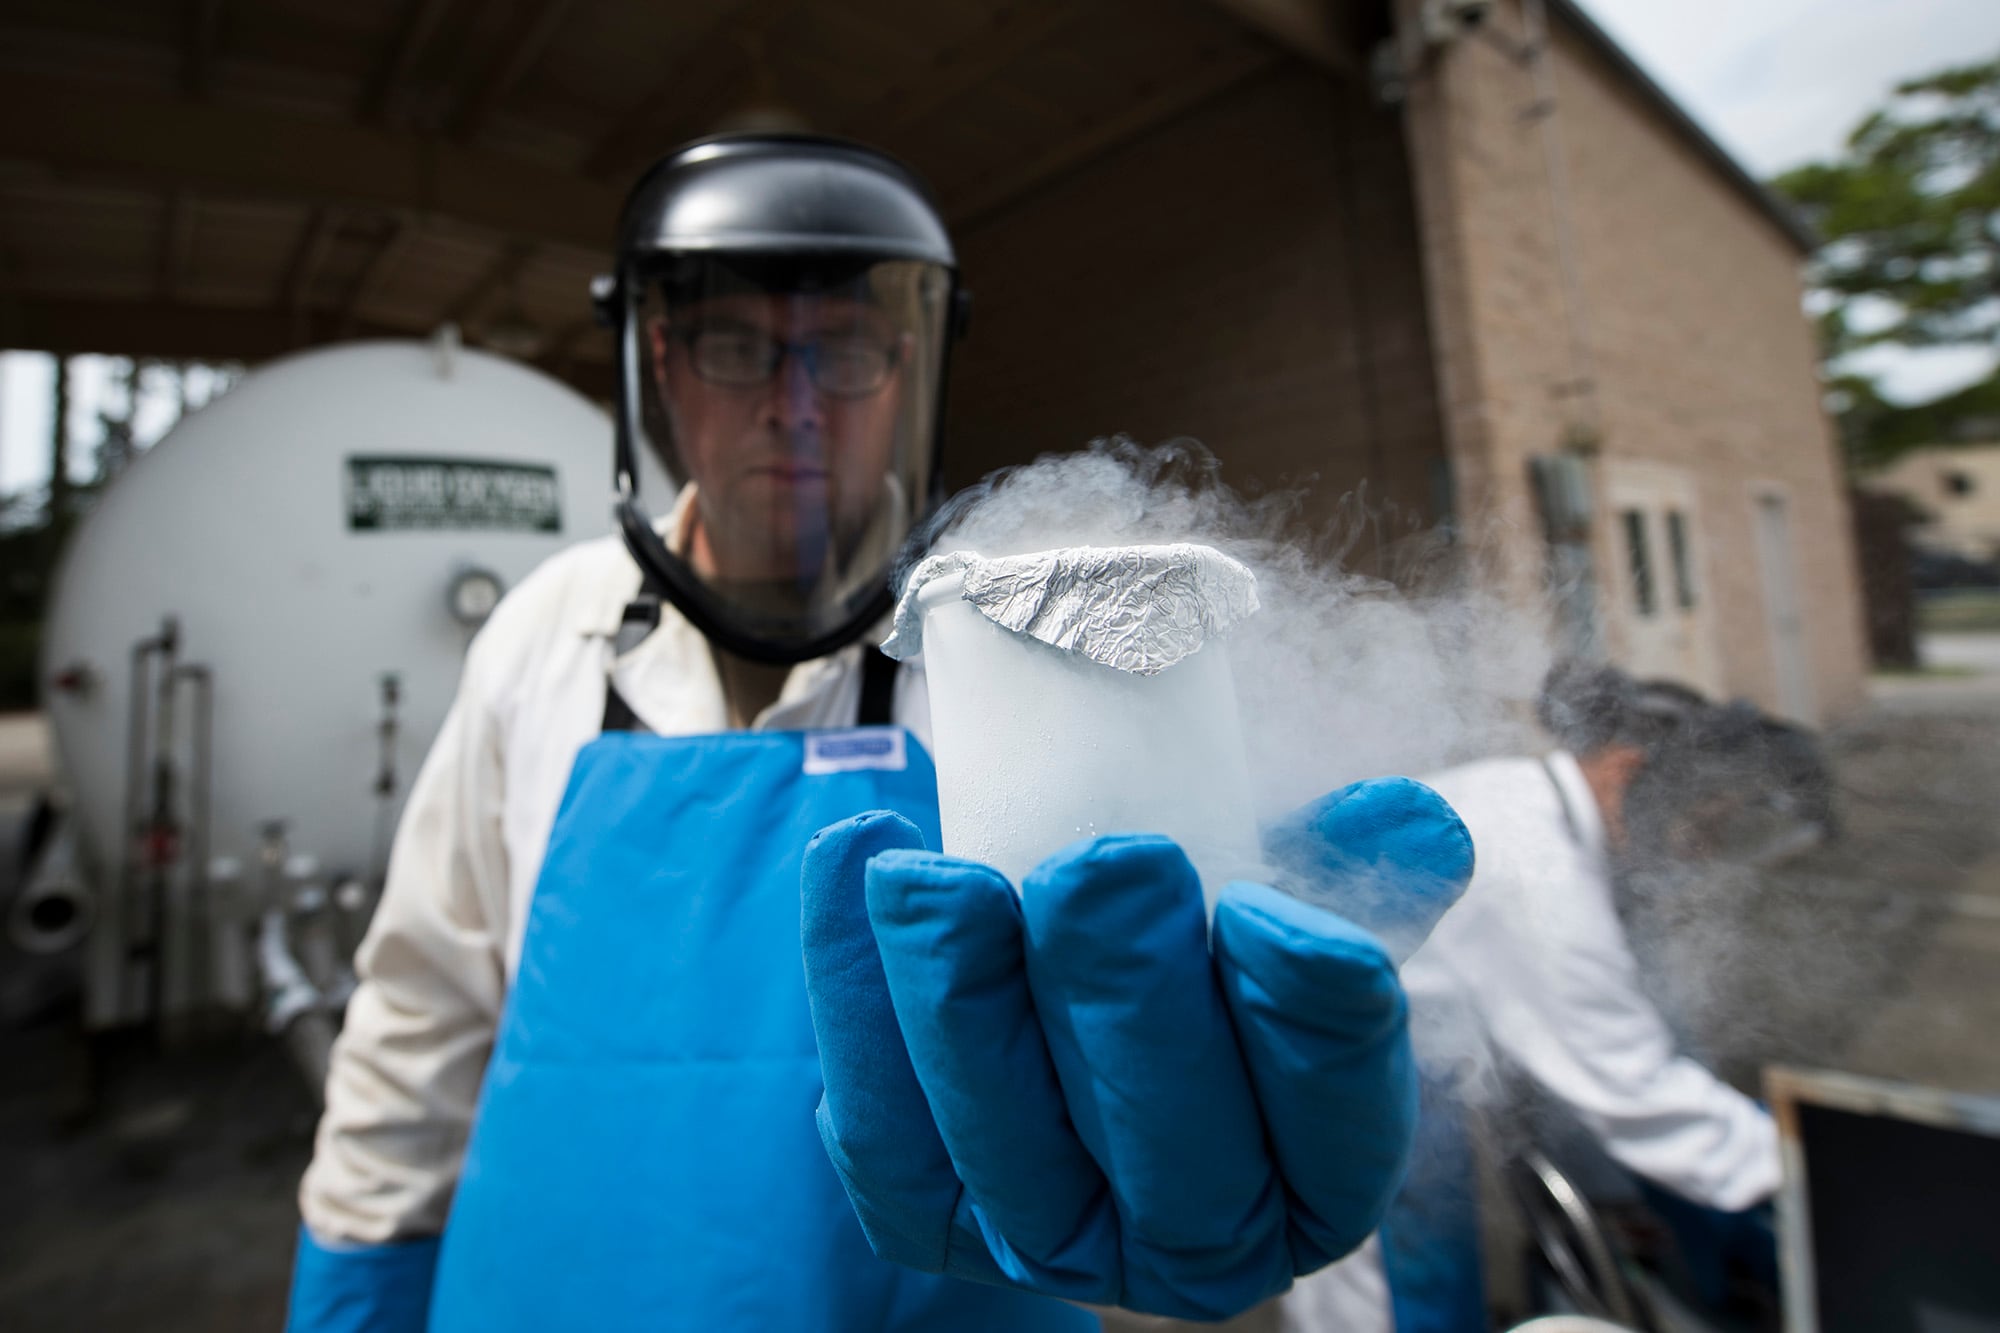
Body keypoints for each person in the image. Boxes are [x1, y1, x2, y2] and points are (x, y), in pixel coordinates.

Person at [283, 132, 1477, 1332]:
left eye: (842, 354)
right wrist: (354, 1295)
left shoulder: (1005, 661)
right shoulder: (547, 632)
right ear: (660, 361)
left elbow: (1125, 1034)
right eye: (736, 346)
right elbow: (421, 1016)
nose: (791, 408)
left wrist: (1182, 1180)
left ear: (906, 374)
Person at [1280, 663, 1833, 1332]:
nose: (1698, 849)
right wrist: (1812, 1170)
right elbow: (1631, 1087)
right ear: (1628, 771)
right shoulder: (1540, 876)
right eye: (1699, 824)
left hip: (1385, 1041)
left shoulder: (1531, 800)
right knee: (1411, 1280)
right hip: (1354, 1063)